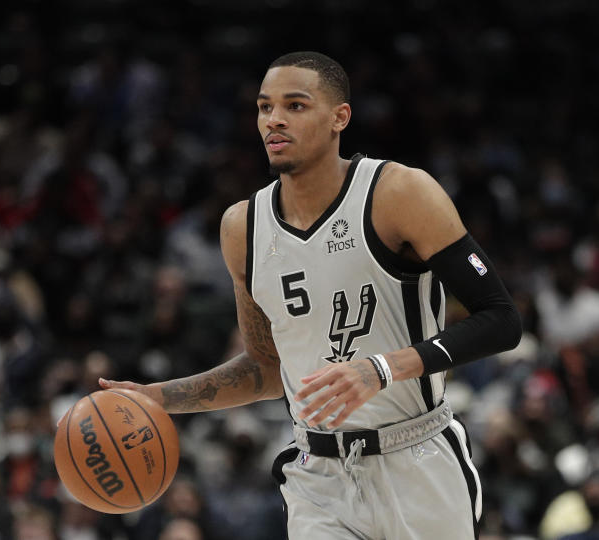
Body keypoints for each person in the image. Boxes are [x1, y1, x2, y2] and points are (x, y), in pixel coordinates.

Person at [101, 51, 522, 539]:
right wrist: (158, 398)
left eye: (295, 106)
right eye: (264, 107)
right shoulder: (243, 227)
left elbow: (501, 318)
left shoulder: (399, 193)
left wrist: (382, 369)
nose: (273, 120)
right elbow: (265, 368)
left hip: (417, 458)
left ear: (339, 117)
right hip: (317, 474)